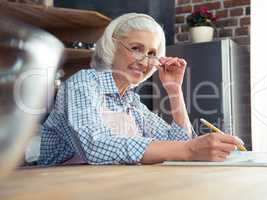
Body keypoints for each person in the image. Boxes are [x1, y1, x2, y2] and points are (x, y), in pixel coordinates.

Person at [38, 13, 243, 166]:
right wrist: (189, 149)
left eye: (152, 53)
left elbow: (179, 143)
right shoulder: (82, 84)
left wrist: (174, 91)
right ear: (112, 45)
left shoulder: (132, 103)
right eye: (136, 48)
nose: (144, 61)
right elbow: (96, 147)